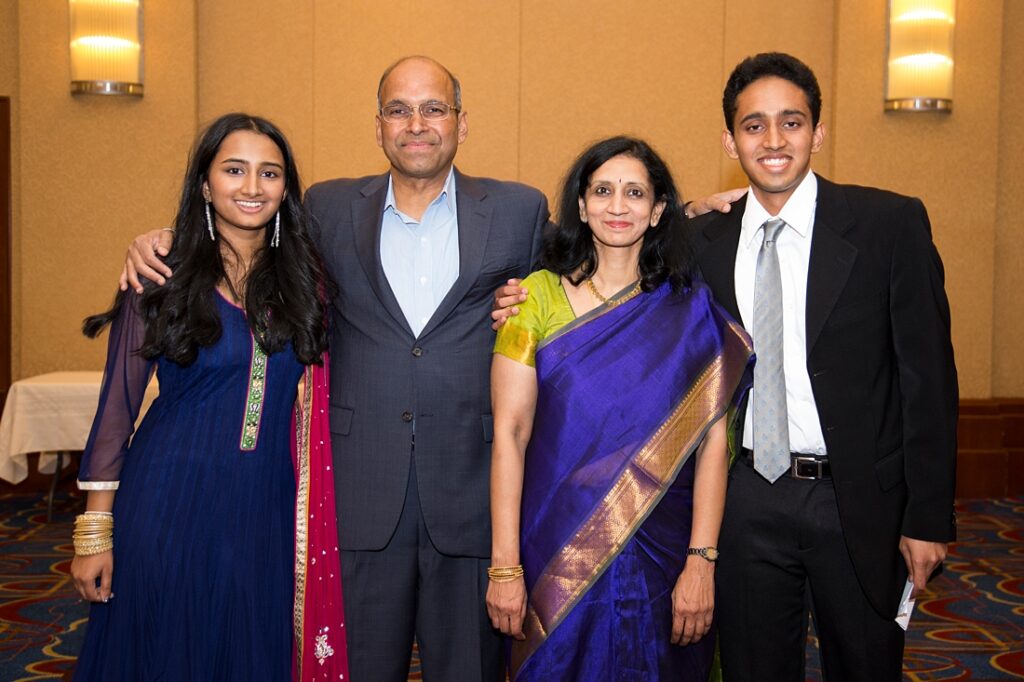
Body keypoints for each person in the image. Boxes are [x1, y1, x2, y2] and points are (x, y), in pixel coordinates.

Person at [121, 57, 549, 681]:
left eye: (434, 108)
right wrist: (163, 239)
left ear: (462, 122)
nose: (417, 124)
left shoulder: (519, 211)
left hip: (471, 490)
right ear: (378, 127)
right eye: (399, 110)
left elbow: (593, 262)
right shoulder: (325, 207)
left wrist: (706, 213)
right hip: (355, 491)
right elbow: (247, 231)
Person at [691, 53, 958, 681]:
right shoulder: (702, 240)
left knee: (866, 666)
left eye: (792, 121)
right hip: (747, 496)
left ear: (819, 132)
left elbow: (929, 382)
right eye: (754, 126)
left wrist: (927, 518)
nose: (775, 140)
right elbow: (608, 239)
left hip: (858, 499)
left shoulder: (890, 224)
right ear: (730, 140)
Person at [70, 113, 348, 682]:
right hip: (169, 500)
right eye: (234, 170)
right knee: (166, 645)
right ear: (204, 182)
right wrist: (95, 533)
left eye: (269, 173)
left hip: (265, 504)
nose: (252, 187)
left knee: (251, 646)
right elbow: (115, 413)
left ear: (285, 189)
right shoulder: (160, 274)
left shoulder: (305, 280)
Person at [487, 136, 753, 680]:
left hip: (663, 549)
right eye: (602, 191)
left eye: (635, 193)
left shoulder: (689, 309)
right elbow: (510, 434)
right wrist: (504, 566)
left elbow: (712, 444)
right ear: (580, 206)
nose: (617, 206)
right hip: (553, 544)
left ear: (658, 211)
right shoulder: (533, 299)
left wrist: (701, 562)